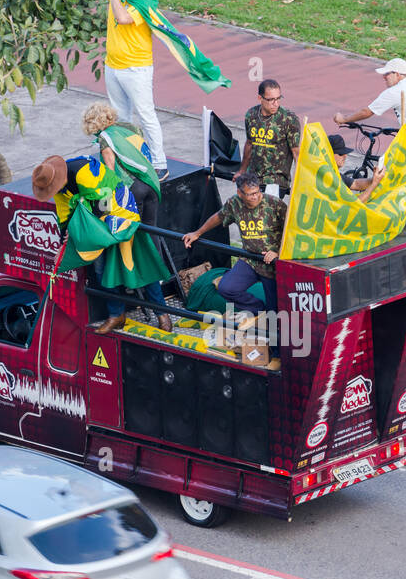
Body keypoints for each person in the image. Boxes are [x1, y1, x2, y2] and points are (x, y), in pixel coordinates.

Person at [68, 0, 168, 178]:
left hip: (136, 69)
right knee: (121, 116)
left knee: (146, 114)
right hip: (114, 66)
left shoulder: (144, 2)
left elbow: (122, 18)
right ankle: (128, 156)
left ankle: (160, 163)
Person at [80, 102, 172, 332]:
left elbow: (111, 176)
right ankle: (163, 316)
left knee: (113, 259)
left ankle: (116, 313)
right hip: (151, 188)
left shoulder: (105, 139)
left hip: (132, 194)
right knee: (148, 245)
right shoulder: (129, 127)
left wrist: (101, 205)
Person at [181, 173, 284, 371]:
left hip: (271, 264)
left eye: (257, 193)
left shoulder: (274, 204)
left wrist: (277, 251)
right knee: (226, 287)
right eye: (249, 194)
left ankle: (277, 354)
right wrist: (197, 233)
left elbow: (291, 228)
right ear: (240, 193)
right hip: (250, 260)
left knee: (275, 312)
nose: (254, 197)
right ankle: (257, 309)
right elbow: (218, 217)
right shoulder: (235, 203)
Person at [333, 57, 406, 202]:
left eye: (387, 74)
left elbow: (367, 112)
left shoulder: (396, 91)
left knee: (385, 167)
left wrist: (344, 119)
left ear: (398, 74)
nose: (384, 77)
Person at [238, 79, 300, 196]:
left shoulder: (289, 119)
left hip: (275, 179)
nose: (275, 103)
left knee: (265, 212)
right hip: (253, 177)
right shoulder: (251, 115)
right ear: (260, 98)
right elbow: (249, 144)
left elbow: (296, 153)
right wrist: (242, 170)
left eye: (278, 98)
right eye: (271, 99)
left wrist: (299, 183)